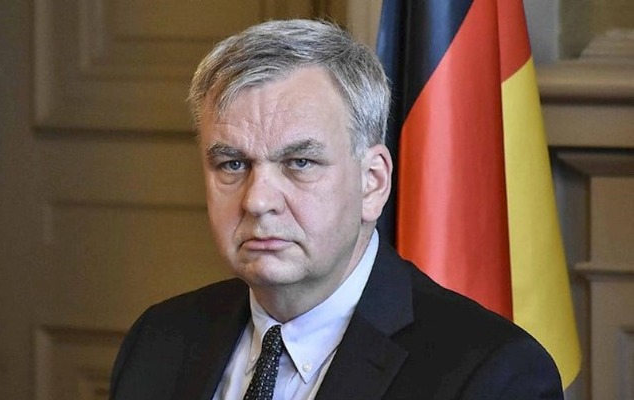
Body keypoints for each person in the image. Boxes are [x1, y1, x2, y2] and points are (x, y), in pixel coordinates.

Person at [109, 19, 563, 400]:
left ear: (372, 182)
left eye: (299, 163)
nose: (257, 200)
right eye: (233, 164)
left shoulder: (491, 375)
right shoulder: (158, 341)